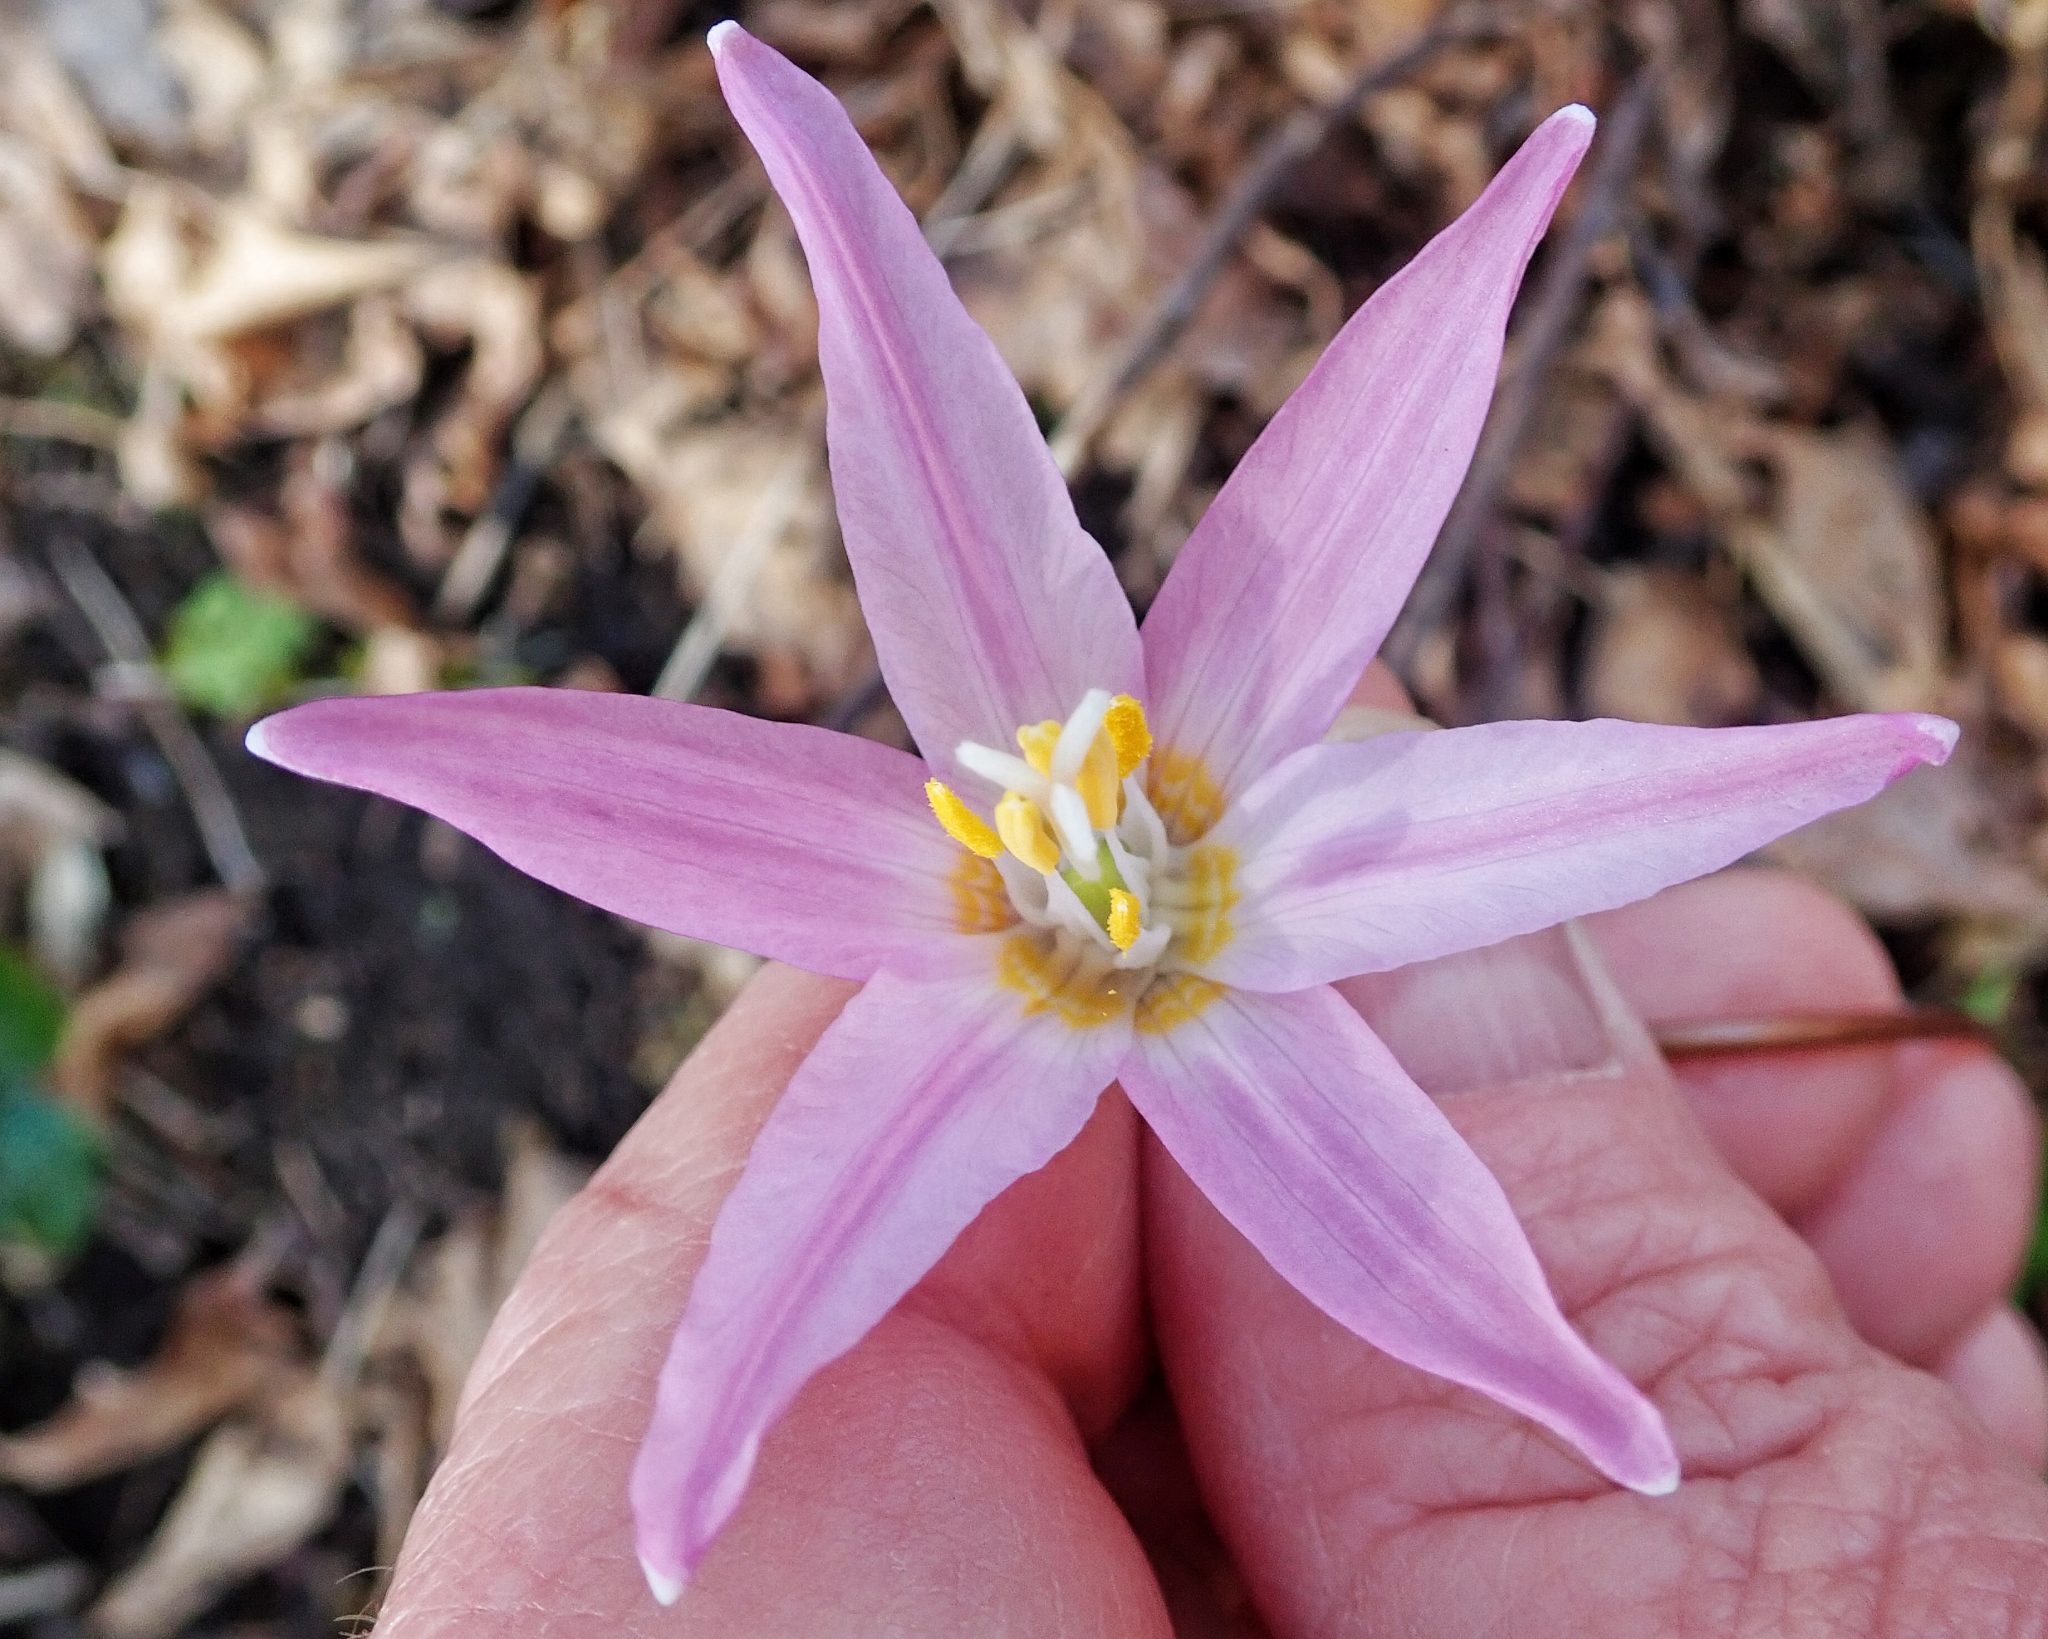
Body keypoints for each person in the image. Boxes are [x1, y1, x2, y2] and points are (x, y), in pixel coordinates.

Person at [366, 675, 2047, 1636]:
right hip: (1149, 948)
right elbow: (803, 1250)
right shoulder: (1052, 926)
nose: (1106, 889)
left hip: (1195, 937)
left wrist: (1844, 753)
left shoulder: (1119, 851)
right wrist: (711, 1426)